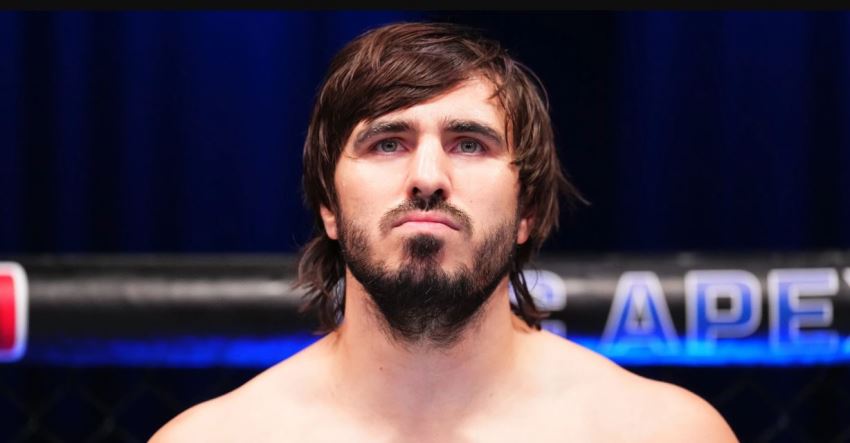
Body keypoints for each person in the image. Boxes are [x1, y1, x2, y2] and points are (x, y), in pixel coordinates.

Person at [152, 21, 738, 442]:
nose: (428, 177)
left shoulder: (660, 432)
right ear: (329, 205)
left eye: (469, 144)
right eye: (388, 143)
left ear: (527, 210)